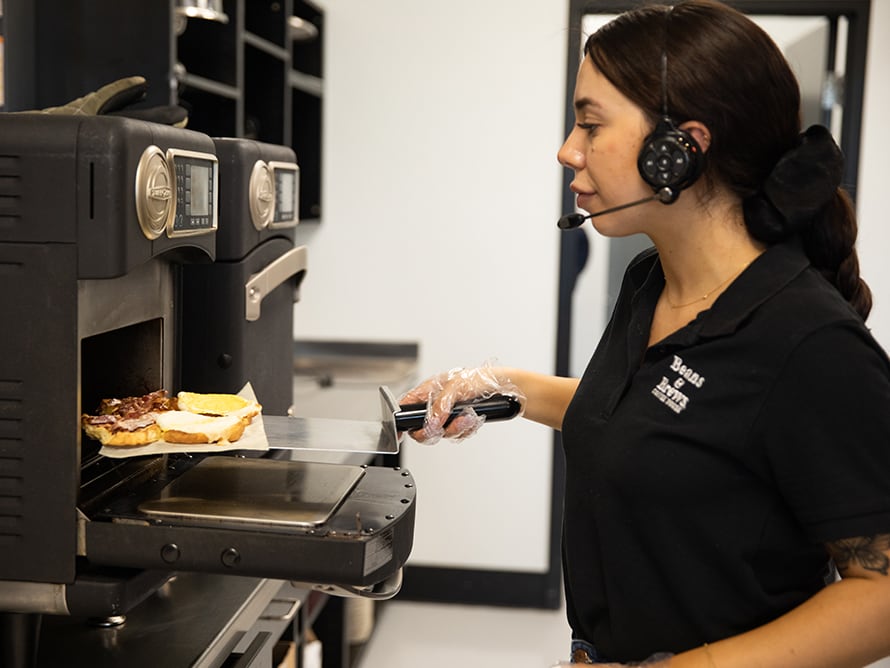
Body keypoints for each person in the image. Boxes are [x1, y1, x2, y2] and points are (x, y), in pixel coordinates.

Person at [399, 1, 890, 666]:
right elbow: (653, 424)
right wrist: (502, 388)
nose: (567, 149)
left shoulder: (809, 344)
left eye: (589, 123)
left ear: (680, 149)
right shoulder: (650, 281)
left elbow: (880, 593)